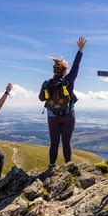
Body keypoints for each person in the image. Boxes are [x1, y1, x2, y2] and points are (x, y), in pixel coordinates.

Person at [39, 36, 86, 169]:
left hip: (53, 116)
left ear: (54, 70)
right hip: (68, 114)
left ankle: (51, 166)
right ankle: (68, 168)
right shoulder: (69, 80)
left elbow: (41, 98)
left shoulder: (47, 83)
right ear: (65, 70)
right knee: (66, 142)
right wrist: (80, 50)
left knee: (54, 143)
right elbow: (76, 66)